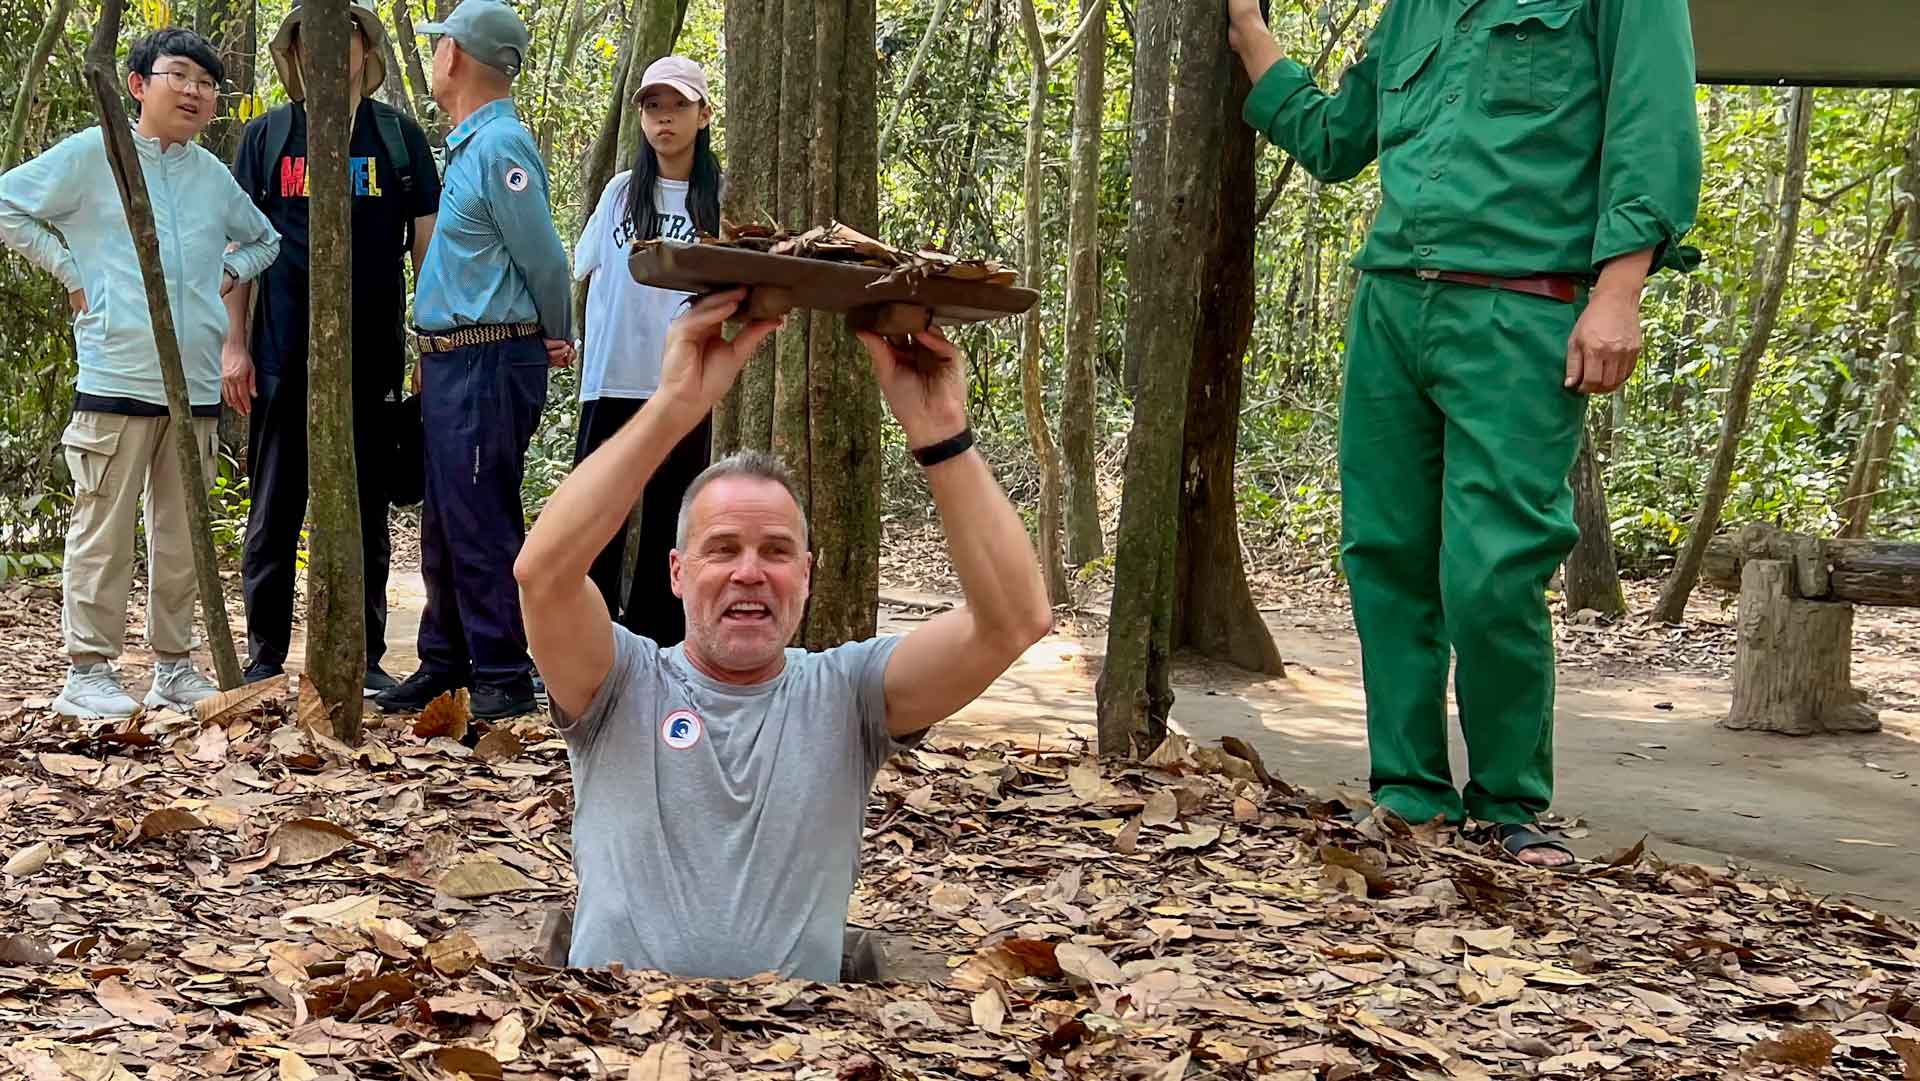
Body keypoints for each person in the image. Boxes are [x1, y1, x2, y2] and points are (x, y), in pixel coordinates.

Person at [1226, 0, 1703, 865]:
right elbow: (1338, 139)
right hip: (1393, 305)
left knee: (1493, 568)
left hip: (1522, 306)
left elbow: (1653, 126)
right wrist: (1255, 41)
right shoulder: (1417, 7)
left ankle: (1510, 801)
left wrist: (1619, 290)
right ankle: (1408, 793)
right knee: (1386, 555)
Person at [514, 291, 1053, 982]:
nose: (749, 572)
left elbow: (1014, 620)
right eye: (723, 548)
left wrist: (941, 430)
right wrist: (676, 405)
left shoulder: (848, 694)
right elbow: (543, 576)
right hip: (613, 1039)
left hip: (797, 1046)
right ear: (677, 573)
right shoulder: (619, 680)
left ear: (806, 573)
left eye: (775, 551)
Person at [0, 29, 280, 720]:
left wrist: (226, 273)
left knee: (181, 530)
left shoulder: (213, 175)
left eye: (206, 84)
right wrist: (73, 273)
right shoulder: (96, 154)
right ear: (137, 84)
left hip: (195, 386)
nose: (192, 92)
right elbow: (7, 203)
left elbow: (265, 238)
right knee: (103, 526)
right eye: (178, 75)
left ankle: (173, 667)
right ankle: (88, 670)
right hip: (118, 371)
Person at [224, 1, 441, 694]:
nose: (329, 48)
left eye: (346, 36)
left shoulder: (398, 141)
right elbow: (239, 250)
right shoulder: (266, 138)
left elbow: (426, 256)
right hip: (281, 355)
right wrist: (236, 346)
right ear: (293, 51)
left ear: (364, 52)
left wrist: (427, 348)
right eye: (313, 36)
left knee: (365, 512)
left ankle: (363, 654)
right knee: (274, 509)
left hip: (371, 359)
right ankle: (264, 657)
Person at [374, 0, 574, 721]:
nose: (433, 58)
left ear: (454, 56)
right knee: (446, 520)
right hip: (453, 361)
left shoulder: (500, 149)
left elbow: (545, 258)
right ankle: (445, 661)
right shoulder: (469, 146)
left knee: (481, 515)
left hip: (490, 358)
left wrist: (558, 331)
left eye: (437, 47)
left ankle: (502, 674)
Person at [570, 55, 722, 647]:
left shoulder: (718, 197)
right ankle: (590, 635)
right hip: (611, 377)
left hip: (680, 384)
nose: (664, 119)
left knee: (669, 518)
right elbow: (582, 269)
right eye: (653, 107)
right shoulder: (620, 194)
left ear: (703, 114)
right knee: (600, 512)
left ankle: (656, 640)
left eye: (678, 106)